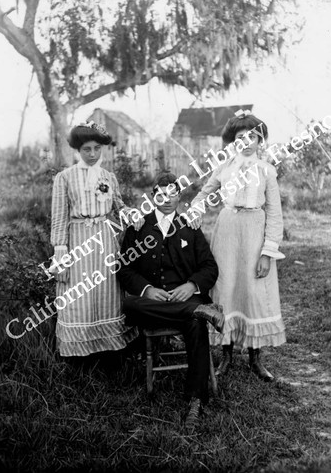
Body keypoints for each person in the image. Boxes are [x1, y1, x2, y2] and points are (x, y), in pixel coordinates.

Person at [118, 172, 224, 431]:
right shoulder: (139, 227)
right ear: (153, 196)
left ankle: (196, 401)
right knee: (130, 305)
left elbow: (210, 267)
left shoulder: (190, 225)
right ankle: (199, 310)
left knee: (196, 326)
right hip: (152, 304)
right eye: (161, 194)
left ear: (180, 196)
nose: (167, 199)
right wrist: (147, 289)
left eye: (172, 193)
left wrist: (190, 286)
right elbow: (124, 269)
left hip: (186, 298)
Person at [190, 109, 286, 382]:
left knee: (254, 290)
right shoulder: (224, 168)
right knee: (227, 286)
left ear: (260, 141)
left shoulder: (267, 170)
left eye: (252, 136)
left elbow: (275, 213)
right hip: (228, 229)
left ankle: (255, 358)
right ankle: (227, 354)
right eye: (240, 137)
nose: (246, 141)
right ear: (233, 142)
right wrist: (195, 211)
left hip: (255, 230)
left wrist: (267, 252)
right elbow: (204, 193)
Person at [50, 121, 139, 362]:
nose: (92, 154)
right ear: (77, 150)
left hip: (104, 241)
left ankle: (110, 352)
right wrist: (61, 250)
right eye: (87, 149)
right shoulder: (64, 178)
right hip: (78, 242)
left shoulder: (108, 177)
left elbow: (118, 207)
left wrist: (130, 213)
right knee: (78, 294)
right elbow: (59, 217)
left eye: (97, 148)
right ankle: (79, 356)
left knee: (106, 291)